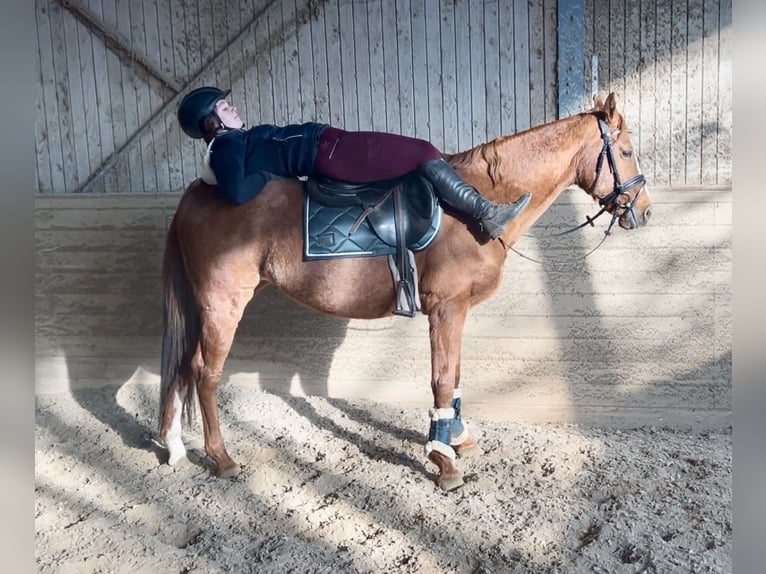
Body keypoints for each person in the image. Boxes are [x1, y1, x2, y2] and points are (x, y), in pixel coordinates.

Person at [176, 86, 531, 239]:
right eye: (224, 108)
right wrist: (269, 176)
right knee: (422, 151)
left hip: (329, 144)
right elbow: (237, 191)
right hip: (327, 154)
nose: (232, 108)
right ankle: (486, 212)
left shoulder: (234, 140)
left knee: (418, 152)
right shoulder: (225, 148)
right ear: (212, 123)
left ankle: (482, 210)